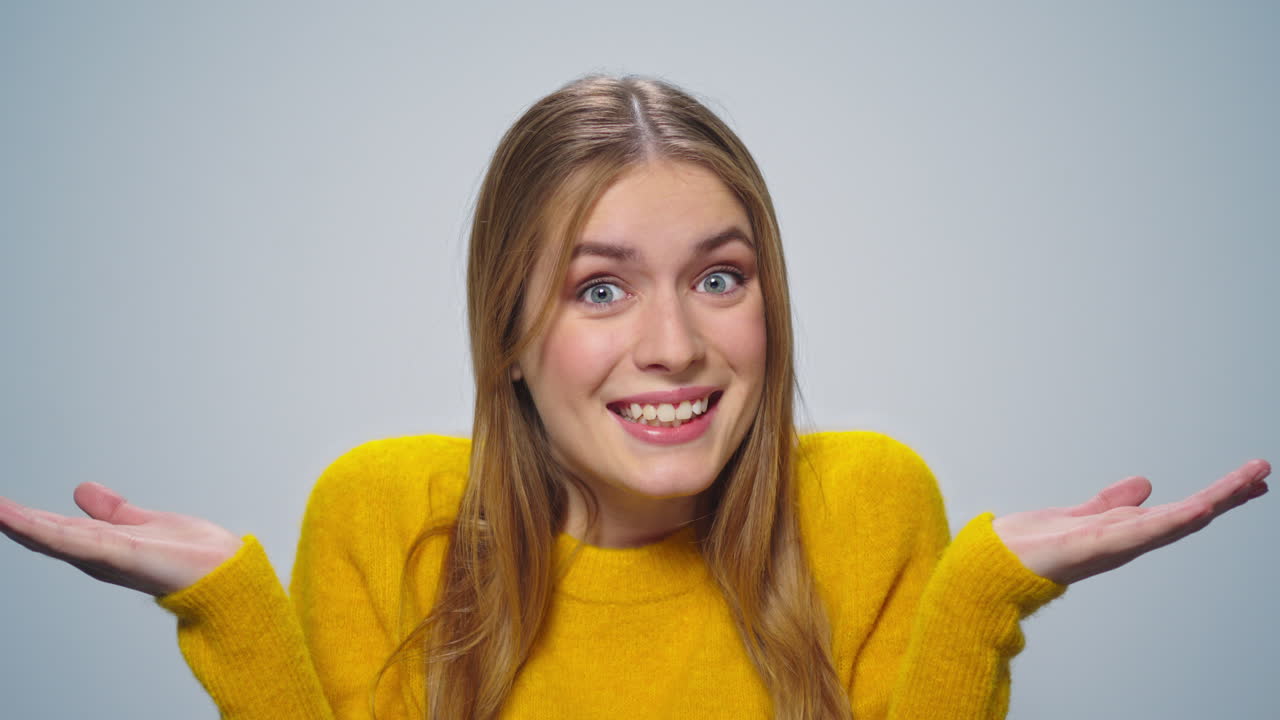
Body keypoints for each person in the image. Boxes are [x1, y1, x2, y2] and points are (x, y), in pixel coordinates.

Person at [0, 74, 1270, 720]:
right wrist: (233, 612)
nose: (673, 344)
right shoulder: (382, 514)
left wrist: (985, 594)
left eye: (719, 277)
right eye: (598, 291)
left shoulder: (869, 505)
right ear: (507, 329)